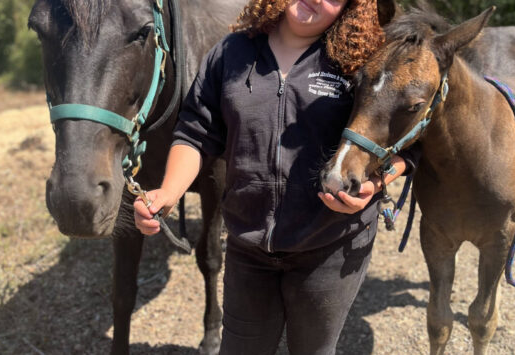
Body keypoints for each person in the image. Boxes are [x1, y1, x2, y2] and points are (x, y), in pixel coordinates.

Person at [134, 0, 419, 353]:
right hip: (248, 245)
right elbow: (194, 133)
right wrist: (168, 191)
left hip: (329, 247)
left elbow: (409, 140)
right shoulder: (231, 51)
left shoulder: (364, 61)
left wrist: (377, 184)